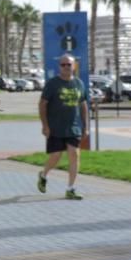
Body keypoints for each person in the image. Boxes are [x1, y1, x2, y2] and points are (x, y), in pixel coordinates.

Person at [37, 54, 89, 200]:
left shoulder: (79, 83)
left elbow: (83, 104)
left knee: (74, 154)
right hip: (56, 127)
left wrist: (85, 126)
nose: (66, 67)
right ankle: (43, 174)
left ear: (74, 66)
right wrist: (45, 125)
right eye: (63, 65)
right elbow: (42, 104)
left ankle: (70, 188)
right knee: (56, 156)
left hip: (74, 127)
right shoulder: (53, 84)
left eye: (69, 64)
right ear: (59, 66)